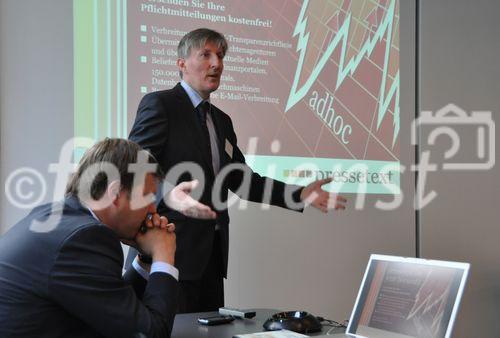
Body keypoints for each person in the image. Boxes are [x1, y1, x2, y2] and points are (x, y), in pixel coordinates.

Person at [127, 28, 347, 313]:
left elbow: (242, 180)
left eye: (219, 55)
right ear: (181, 63)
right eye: (205, 55)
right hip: (166, 255)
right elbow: (134, 166)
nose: (216, 63)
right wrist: (169, 194)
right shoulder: (161, 105)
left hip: (211, 261)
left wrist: (299, 194)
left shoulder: (221, 121)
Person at [0, 138, 182, 338]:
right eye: (147, 198)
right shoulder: (85, 238)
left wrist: (146, 259)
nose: (153, 211)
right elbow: (148, 334)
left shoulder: (53, 217)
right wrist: (163, 254)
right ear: (114, 193)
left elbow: (111, 306)